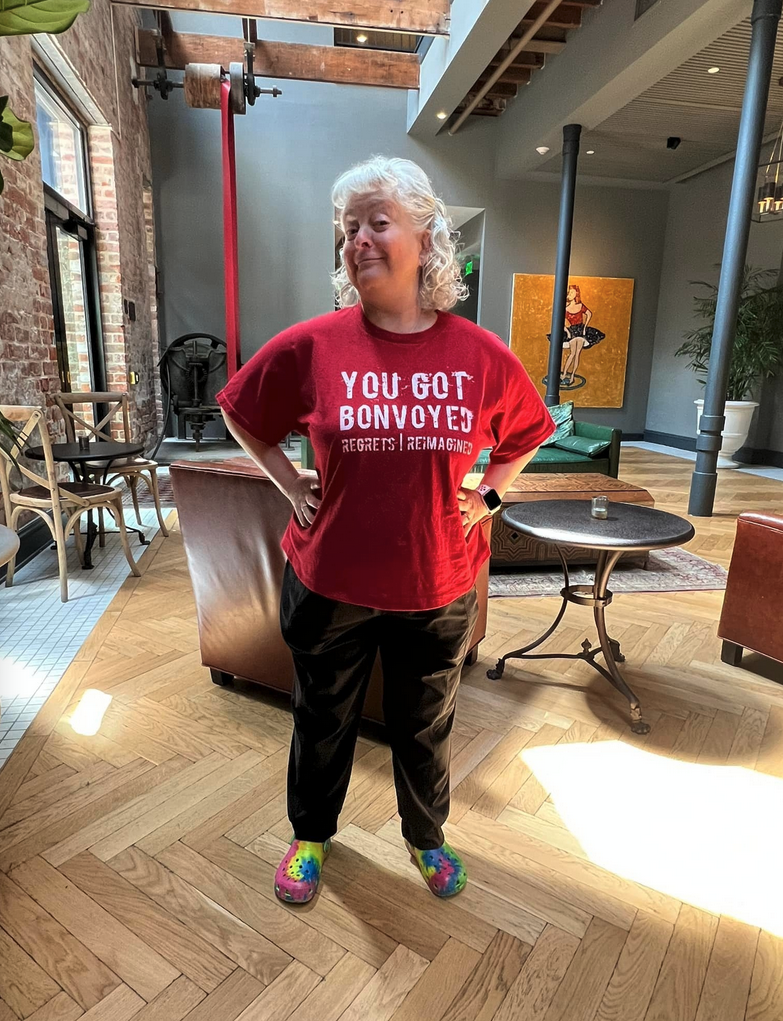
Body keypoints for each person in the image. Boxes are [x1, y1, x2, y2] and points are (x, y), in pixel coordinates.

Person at [216, 156, 554, 904]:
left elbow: (530, 429)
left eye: (377, 222)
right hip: (329, 579)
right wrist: (286, 479)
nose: (358, 240)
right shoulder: (314, 345)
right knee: (321, 717)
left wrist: (491, 494)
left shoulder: (479, 355)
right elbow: (239, 410)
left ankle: (426, 837)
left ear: (426, 235)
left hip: (436, 582)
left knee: (424, 723)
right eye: (348, 229)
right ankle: (310, 835)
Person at [553, 284, 606, 387]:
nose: (570, 294)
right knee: (572, 354)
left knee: (576, 354)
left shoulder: (581, 306)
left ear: (576, 294)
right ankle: (564, 375)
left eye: (572, 292)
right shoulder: (566, 308)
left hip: (581, 331)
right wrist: (567, 332)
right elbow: (561, 322)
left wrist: (585, 327)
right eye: (569, 292)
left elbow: (589, 314)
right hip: (572, 331)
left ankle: (571, 376)